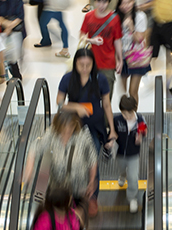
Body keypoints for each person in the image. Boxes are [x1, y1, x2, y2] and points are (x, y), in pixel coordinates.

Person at [55, 49, 117, 216]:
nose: (84, 68)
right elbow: (59, 103)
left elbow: (106, 105)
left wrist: (111, 128)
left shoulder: (100, 79)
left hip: (94, 129)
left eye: (88, 65)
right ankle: (75, 195)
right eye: (81, 65)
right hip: (73, 128)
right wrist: (76, 107)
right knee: (74, 161)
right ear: (75, 64)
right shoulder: (68, 79)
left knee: (92, 161)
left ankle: (92, 197)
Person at [24, 111, 99, 219]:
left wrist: (92, 181)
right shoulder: (52, 134)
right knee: (57, 214)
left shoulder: (83, 137)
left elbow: (92, 159)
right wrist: (29, 169)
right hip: (58, 186)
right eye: (63, 130)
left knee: (77, 214)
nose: (67, 133)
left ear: (75, 125)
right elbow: (34, 147)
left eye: (70, 128)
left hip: (78, 186)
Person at [81, 0, 124, 95]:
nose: (101, 5)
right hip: (90, 62)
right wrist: (92, 40)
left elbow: (117, 40)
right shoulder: (88, 16)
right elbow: (82, 36)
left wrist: (120, 60)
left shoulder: (114, 18)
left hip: (108, 62)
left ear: (108, 2)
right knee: (90, 93)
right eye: (98, 2)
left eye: (104, 2)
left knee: (107, 94)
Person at [113, 95, 146, 213]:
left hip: (133, 154)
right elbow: (113, 132)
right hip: (120, 153)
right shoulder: (117, 120)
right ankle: (122, 175)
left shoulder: (140, 120)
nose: (126, 117)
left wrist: (140, 137)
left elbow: (144, 132)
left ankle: (132, 198)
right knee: (122, 168)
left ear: (134, 110)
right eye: (123, 114)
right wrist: (112, 139)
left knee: (133, 176)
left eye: (129, 114)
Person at [117, 0, 150, 100]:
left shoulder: (140, 16)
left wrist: (132, 27)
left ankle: (132, 114)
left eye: (129, 2)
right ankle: (125, 110)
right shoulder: (116, 16)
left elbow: (140, 39)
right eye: (123, 3)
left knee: (133, 91)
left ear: (133, 2)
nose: (125, 6)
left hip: (136, 57)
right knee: (123, 91)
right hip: (122, 57)